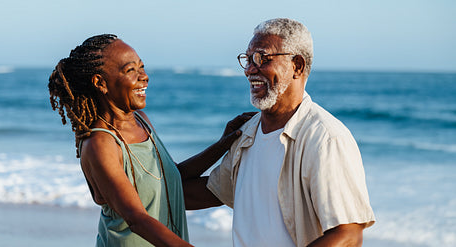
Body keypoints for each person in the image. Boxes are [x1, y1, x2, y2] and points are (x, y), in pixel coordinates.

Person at [182, 18, 376, 247]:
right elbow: (202, 194)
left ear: (297, 66)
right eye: (248, 59)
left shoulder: (325, 138)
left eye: (262, 58)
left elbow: (349, 236)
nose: (250, 70)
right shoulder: (246, 134)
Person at [48, 34, 253, 247]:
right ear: (100, 82)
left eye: (142, 67)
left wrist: (222, 145)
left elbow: (170, 178)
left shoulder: (141, 121)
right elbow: (137, 219)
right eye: (130, 70)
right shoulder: (100, 144)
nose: (144, 76)